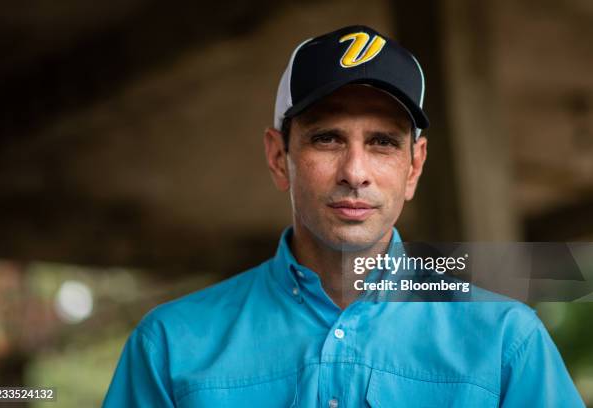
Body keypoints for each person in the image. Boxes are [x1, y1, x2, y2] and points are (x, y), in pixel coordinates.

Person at [103, 25, 584, 407]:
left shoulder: (506, 342)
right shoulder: (170, 346)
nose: (355, 172)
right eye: (326, 138)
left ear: (413, 166)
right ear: (278, 158)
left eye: (382, 143)